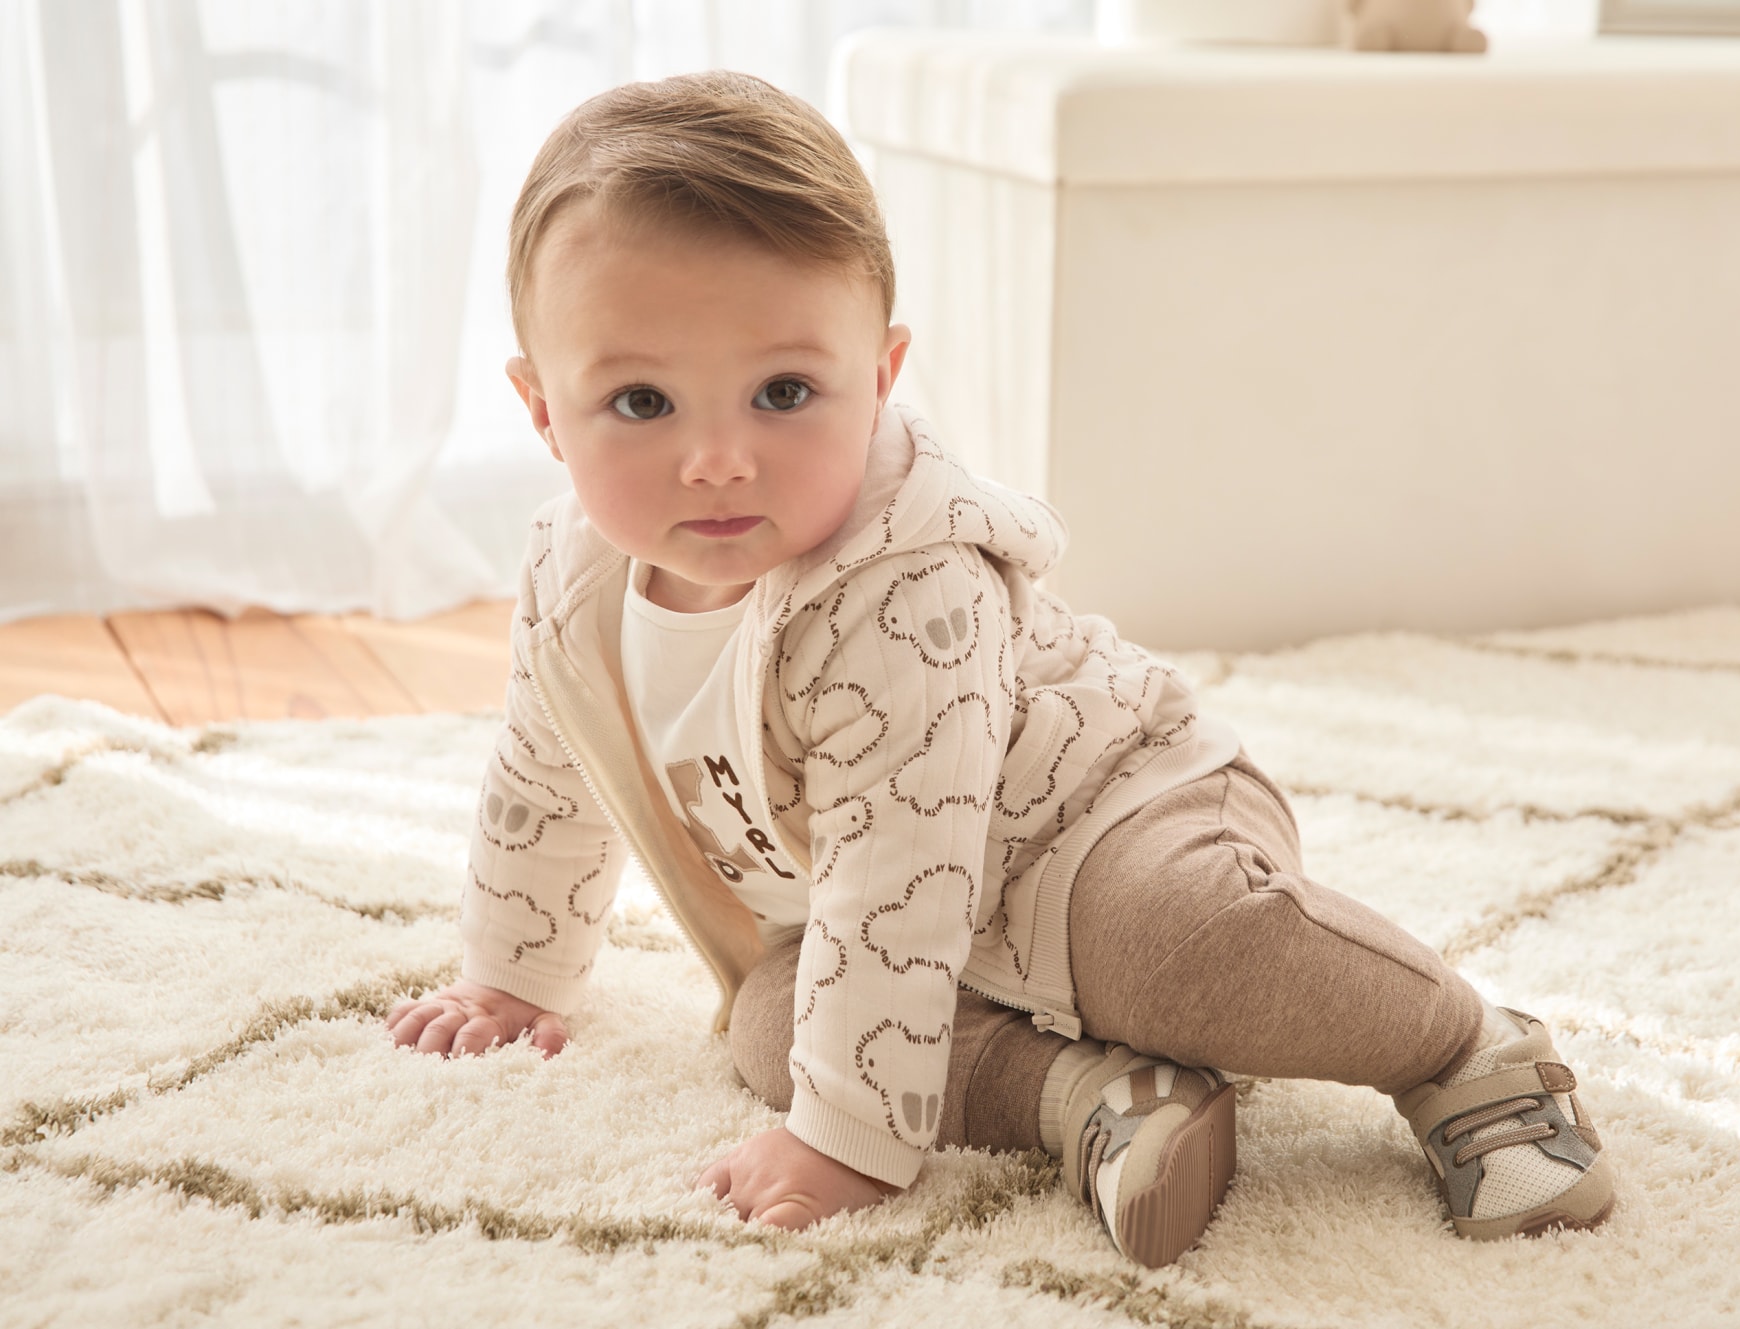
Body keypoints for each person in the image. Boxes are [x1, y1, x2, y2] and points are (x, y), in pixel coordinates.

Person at [385, 70, 1614, 1266]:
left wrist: (846, 1147)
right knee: (773, 1026)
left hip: (1110, 819)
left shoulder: (906, 589)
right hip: (911, 905)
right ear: (544, 410)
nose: (717, 459)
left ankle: (1463, 1045)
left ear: (880, 378)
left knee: (1173, 948)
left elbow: (903, 866)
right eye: (643, 403)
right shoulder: (571, 577)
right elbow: (547, 778)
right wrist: (515, 979)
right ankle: (1092, 1098)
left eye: (782, 392)